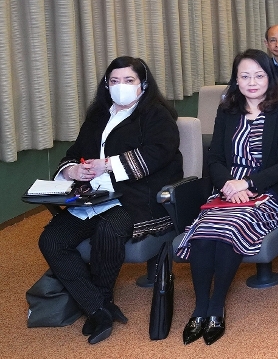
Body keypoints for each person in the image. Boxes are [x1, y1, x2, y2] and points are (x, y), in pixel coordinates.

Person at [39, 56, 181, 344]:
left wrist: (108, 165)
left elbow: (158, 154)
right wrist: (72, 170)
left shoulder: (156, 115)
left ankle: (101, 300)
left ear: (143, 84)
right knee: (51, 239)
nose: (121, 86)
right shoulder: (98, 116)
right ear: (106, 84)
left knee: (109, 230)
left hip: (137, 198)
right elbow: (74, 152)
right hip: (94, 197)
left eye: (129, 80)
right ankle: (98, 308)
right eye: (114, 81)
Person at [176, 50, 278, 345]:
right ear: (236, 80)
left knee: (230, 228)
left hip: (266, 192)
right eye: (244, 76)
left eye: (258, 76)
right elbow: (215, 158)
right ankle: (200, 309)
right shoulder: (227, 111)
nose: (252, 82)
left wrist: (248, 183)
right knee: (204, 233)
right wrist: (229, 185)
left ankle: (216, 307)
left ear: (270, 78)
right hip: (227, 190)